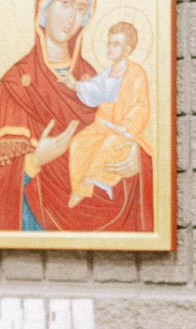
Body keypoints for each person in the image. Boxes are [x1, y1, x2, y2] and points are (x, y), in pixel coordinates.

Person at [0, 0, 154, 233]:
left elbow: (125, 122)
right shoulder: (16, 83)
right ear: (44, 8)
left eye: (81, 8)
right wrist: (35, 160)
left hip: (102, 208)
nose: (71, 17)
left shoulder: (93, 76)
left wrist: (137, 158)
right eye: (64, 3)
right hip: (38, 216)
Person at [60, 20, 154, 208]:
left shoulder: (136, 73)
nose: (110, 48)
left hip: (122, 130)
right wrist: (74, 85)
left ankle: (90, 184)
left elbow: (141, 106)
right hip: (101, 126)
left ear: (127, 50)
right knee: (79, 143)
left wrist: (126, 125)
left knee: (110, 145)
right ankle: (80, 187)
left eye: (116, 45)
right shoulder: (108, 72)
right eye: (109, 43)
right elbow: (94, 90)